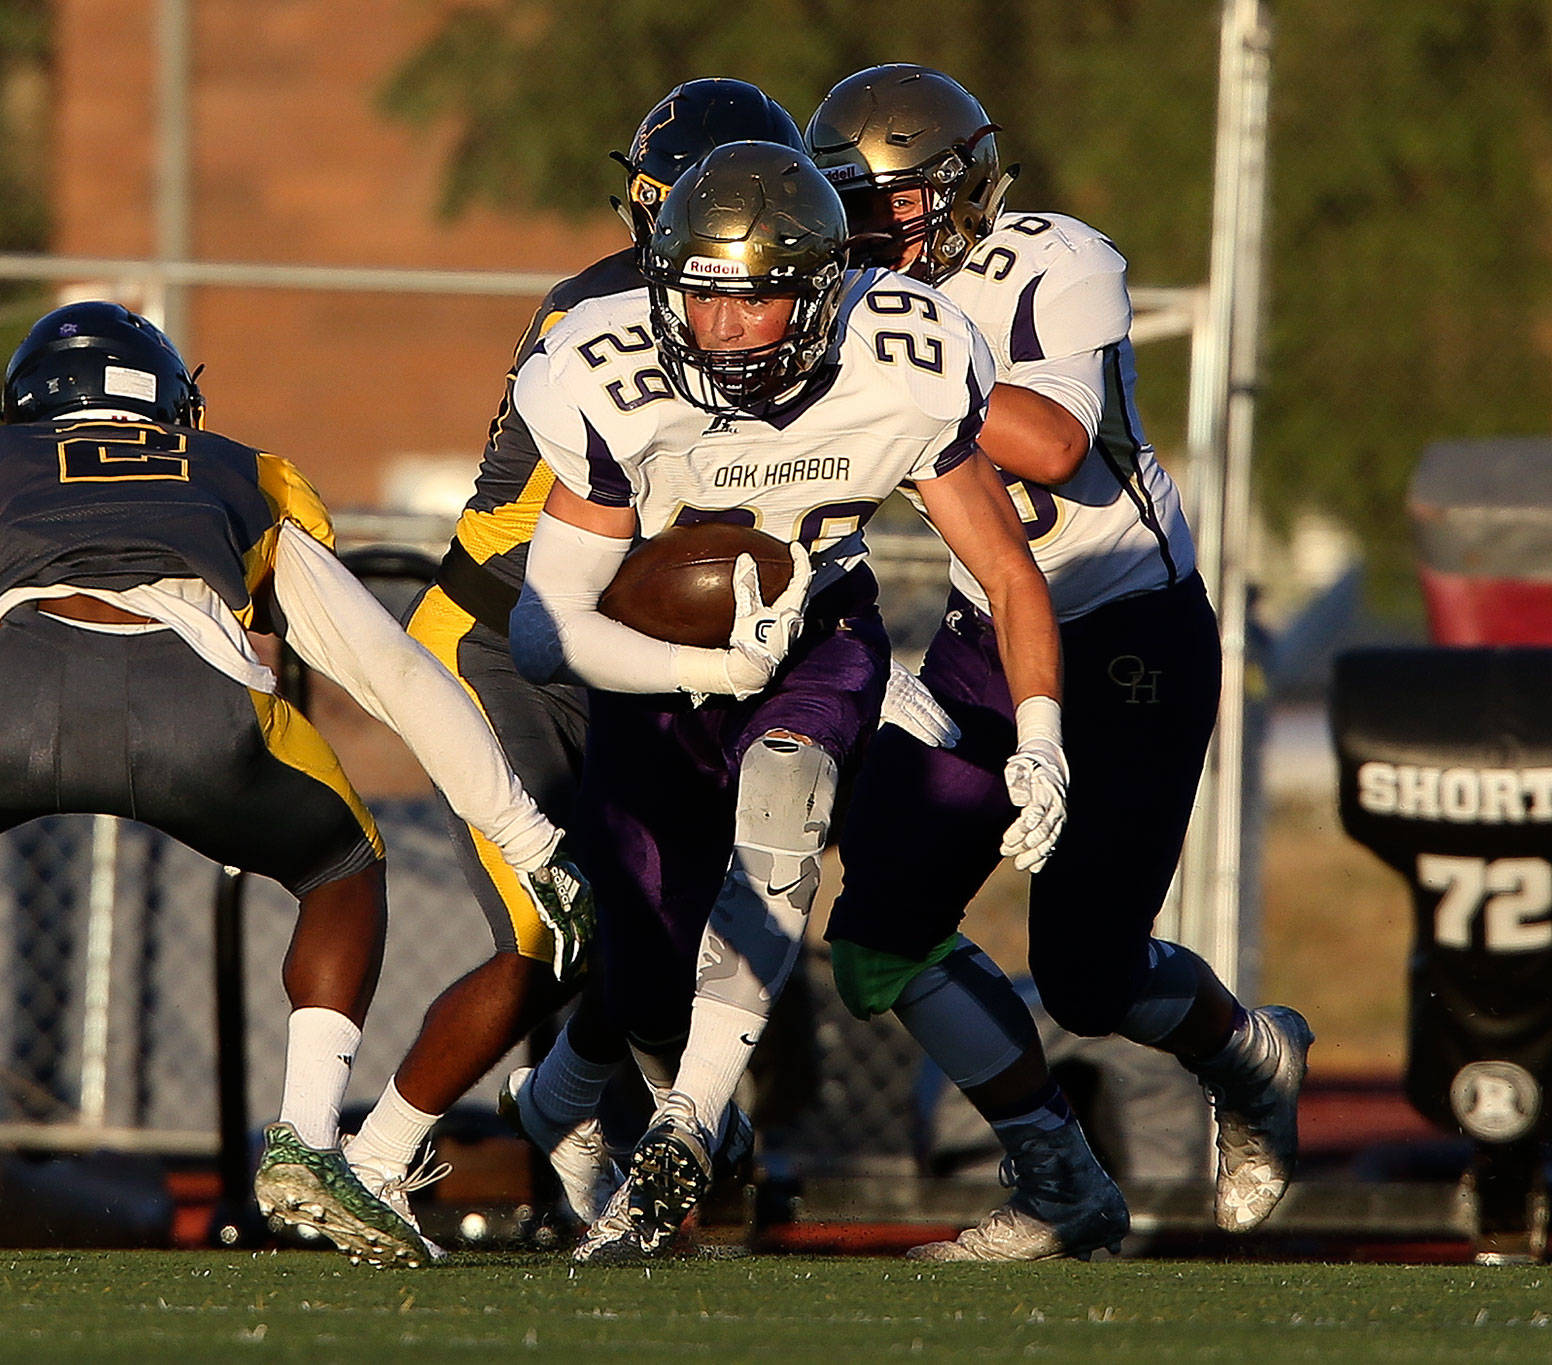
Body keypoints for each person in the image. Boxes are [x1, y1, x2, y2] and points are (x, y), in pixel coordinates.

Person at [0, 301, 591, 1271]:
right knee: (340, 863)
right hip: (194, 703)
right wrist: (525, 835)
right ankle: (304, 1140)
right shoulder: (245, 474)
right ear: (169, 404)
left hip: (11, 698)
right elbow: (390, 668)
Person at [506, 139, 1067, 1263]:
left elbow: (1008, 571)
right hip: (657, 664)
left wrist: (1041, 738)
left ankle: (680, 1130)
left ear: (817, 291)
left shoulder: (895, 357)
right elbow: (541, 632)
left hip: (818, 636)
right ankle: (557, 1103)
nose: (718, 330)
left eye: (754, 301)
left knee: (786, 802)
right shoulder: (605, 377)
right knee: (643, 971)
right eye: (700, 299)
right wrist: (707, 670)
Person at [805, 64, 1312, 1258]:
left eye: (892, 203)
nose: (872, 231)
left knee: (1084, 975)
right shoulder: (846, 305)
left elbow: (1049, 438)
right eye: (850, 208)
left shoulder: (1049, 257)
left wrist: (893, 348)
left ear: (965, 190)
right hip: (992, 633)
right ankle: (1055, 1179)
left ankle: (1244, 1054)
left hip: (1129, 630)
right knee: (879, 922)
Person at [340, 78, 853, 1238]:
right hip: (503, 641)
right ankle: (379, 1158)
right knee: (544, 925)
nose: (731, 281)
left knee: (656, 911)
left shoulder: (749, 316)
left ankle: (611, 1120)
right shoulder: (614, 315)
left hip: (629, 648)